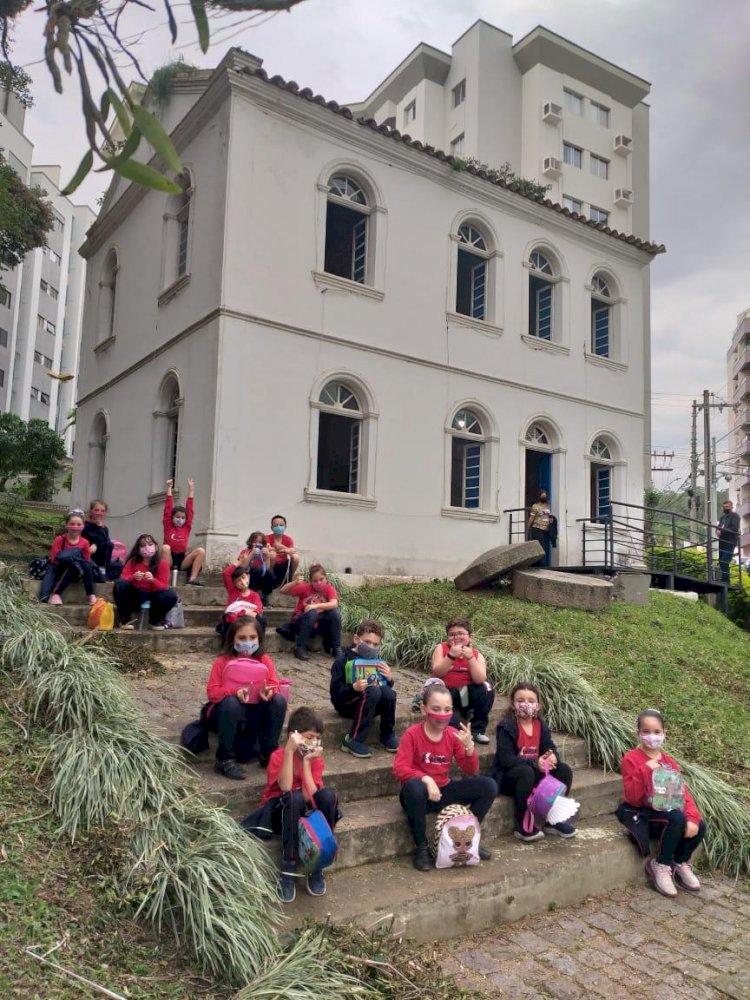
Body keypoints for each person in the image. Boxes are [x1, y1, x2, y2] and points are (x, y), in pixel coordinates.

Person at [393, 681, 497, 871]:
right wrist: (426, 779)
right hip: (417, 796)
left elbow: (471, 771)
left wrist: (469, 749)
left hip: (443, 792)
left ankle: (466, 836)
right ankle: (420, 846)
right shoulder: (412, 734)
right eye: (436, 709)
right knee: (414, 787)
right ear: (424, 709)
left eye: (447, 709)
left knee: (488, 786)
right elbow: (399, 769)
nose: (442, 714)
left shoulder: (452, 734)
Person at [241, 706, 339, 903]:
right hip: (280, 813)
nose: (314, 742)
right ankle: (288, 867)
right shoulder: (279, 755)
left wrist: (307, 763)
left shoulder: (315, 760)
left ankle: (317, 863)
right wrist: (289, 751)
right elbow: (285, 787)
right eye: (309, 737)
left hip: (303, 812)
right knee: (294, 798)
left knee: (328, 796)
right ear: (293, 735)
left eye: (317, 738)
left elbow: (311, 795)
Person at [620, 708, 705, 897]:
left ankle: (679, 862)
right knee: (676, 818)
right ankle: (660, 864)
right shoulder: (631, 759)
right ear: (638, 733)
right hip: (643, 815)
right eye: (646, 731)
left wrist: (692, 818)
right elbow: (632, 798)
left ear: (664, 733)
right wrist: (644, 770)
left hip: (668, 812)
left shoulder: (669, 762)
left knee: (700, 824)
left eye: (657, 732)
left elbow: (683, 793)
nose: (652, 736)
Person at [493, 682, 577, 842]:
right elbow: (506, 760)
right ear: (512, 704)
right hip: (510, 778)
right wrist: (534, 763)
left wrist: (552, 757)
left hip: (533, 773)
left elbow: (549, 747)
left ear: (538, 705)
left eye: (531, 701)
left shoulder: (540, 725)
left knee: (563, 770)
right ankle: (522, 824)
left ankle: (553, 819)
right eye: (521, 700)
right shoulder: (506, 726)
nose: (526, 704)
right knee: (526, 772)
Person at [205, 617, 287, 778]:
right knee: (231, 703)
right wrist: (234, 692)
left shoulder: (264, 660)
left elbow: (274, 684)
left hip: (253, 712)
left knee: (279, 701)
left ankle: (269, 754)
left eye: (252, 637)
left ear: (259, 639)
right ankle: (224, 759)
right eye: (242, 638)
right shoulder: (222, 662)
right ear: (232, 639)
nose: (247, 642)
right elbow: (212, 692)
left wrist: (268, 692)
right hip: (227, 713)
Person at [330, 618, 398, 759]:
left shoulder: (376, 660)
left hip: (369, 703)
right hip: (347, 705)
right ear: (356, 639)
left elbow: (383, 686)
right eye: (367, 642)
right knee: (372, 691)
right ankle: (353, 739)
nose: (371, 647)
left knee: (389, 693)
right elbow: (335, 696)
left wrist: (389, 679)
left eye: (375, 644)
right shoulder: (342, 660)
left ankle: (387, 735)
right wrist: (353, 688)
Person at [430, 617, 495, 744]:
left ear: (470, 637)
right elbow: (437, 672)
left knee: (487, 687)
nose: (456, 637)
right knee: (454, 727)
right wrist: (451, 656)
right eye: (452, 634)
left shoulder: (476, 654)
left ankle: (478, 730)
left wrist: (470, 658)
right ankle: (456, 731)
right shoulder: (441, 648)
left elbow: (480, 679)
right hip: (443, 692)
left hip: (464, 694)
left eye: (460, 633)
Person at [113, 533, 179, 629]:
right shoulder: (133, 562)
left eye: (150, 544)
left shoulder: (162, 564)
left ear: (156, 547)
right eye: (143, 545)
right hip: (136, 597)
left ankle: (155, 621)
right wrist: (133, 577)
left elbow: (164, 586)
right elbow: (123, 578)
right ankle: (125, 620)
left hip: (153, 598)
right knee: (119, 585)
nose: (147, 547)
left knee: (171, 595)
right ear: (138, 550)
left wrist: (152, 580)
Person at [278, 563, 342, 662]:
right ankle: (300, 648)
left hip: (318, 624)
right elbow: (283, 591)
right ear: (311, 581)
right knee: (312, 613)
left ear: (326, 579)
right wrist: (294, 582)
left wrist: (315, 606)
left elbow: (334, 604)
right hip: (301, 622)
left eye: (321, 579)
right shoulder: (305, 588)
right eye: (315, 581)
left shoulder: (329, 589)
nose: (319, 583)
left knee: (335, 613)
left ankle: (336, 648)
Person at [39, 509, 96, 606]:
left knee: (83, 564)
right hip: (59, 569)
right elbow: (54, 559)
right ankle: (55, 594)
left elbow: (86, 561)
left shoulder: (85, 542)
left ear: (83, 526)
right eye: (72, 524)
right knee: (73, 562)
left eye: (78, 524)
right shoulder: (60, 539)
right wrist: (70, 558)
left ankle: (90, 594)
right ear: (66, 525)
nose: (75, 527)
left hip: (76, 571)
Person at [161, 478, 205, 586]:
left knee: (201, 551)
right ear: (172, 517)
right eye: (177, 517)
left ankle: (192, 579)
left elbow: (190, 510)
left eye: (182, 517)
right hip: (169, 558)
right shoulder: (168, 525)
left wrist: (191, 489)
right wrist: (169, 488)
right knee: (165, 548)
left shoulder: (186, 527)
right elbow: (168, 508)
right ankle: (165, 580)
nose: (180, 519)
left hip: (182, 560)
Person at [218, 563, 266, 637]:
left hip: (249, 620)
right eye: (238, 581)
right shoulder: (233, 591)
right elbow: (226, 573)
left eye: (243, 577)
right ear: (234, 583)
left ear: (248, 577)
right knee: (228, 617)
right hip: (234, 619)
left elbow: (258, 608)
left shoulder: (254, 595)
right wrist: (239, 562)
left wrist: (250, 613)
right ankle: (227, 642)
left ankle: (258, 641)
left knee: (262, 619)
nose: (242, 582)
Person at [234, 531, 276, 606]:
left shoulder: (264, 552)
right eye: (255, 541)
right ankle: (255, 595)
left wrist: (267, 557)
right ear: (251, 542)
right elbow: (243, 568)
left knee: (270, 573)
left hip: (261, 579)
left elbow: (267, 569)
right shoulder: (245, 551)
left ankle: (264, 596)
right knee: (257, 570)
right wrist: (252, 553)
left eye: (260, 542)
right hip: (249, 578)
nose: (257, 544)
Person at [81, 499, 113, 581]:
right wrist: (96, 543)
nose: (99, 513)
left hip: (103, 561)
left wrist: (96, 544)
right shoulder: (85, 526)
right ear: (91, 511)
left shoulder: (104, 528)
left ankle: (102, 573)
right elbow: (90, 540)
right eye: (96, 510)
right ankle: (98, 573)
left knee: (109, 545)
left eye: (102, 511)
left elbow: (106, 542)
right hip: (90, 558)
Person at [266, 514, 299, 589]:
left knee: (296, 557)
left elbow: (292, 550)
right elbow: (268, 549)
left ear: (285, 527)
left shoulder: (288, 539)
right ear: (272, 527)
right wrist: (284, 550)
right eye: (276, 525)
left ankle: (290, 578)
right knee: (272, 554)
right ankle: (270, 578)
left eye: (281, 525)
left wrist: (281, 547)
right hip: (272, 565)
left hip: (284, 565)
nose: (279, 527)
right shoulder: (267, 537)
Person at [716, 499, 741, 584]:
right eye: (724, 507)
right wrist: (717, 531)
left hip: (730, 542)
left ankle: (726, 581)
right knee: (721, 561)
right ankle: (724, 579)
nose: (725, 508)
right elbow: (719, 527)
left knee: (724, 560)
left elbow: (734, 528)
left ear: (731, 507)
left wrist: (722, 531)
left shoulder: (735, 516)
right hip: (722, 542)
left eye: (727, 506)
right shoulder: (722, 518)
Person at [527, 490, 553, 567]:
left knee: (545, 546)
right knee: (540, 546)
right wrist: (528, 527)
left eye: (545, 496)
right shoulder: (535, 506)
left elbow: (549, 516)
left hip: (546, 529)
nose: (544, 497)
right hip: (537, 528)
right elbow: (531, 517)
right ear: (539, 497)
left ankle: (540, 563)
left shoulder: (548, 506)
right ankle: (540, 564)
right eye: (542, 496)